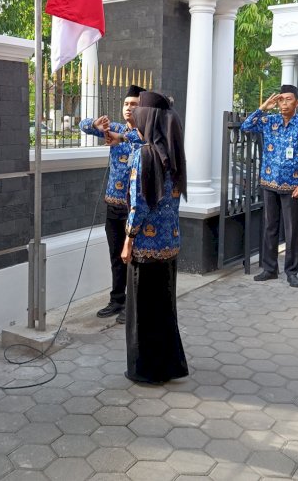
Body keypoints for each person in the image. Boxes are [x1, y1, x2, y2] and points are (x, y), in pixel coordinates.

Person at [121, 91, 188, 384]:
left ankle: (146, 370)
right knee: (164, 309)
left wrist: (128, 239)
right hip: (169, 244)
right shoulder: (171, 151)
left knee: (142, 313)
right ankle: (168, 365)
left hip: (145, 248)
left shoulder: (144, 154)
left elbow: (140, 204)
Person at [79, 84, 145, 324]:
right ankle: (117, 299)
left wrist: (122, 138)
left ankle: (134, 305)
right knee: (116, 256)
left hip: (136, 209)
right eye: (127, 104)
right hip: (113, 206)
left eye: (134, 104)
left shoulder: (146, 135)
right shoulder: (114, 128)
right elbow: (83, 126)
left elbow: (144, 143)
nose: (129, 108)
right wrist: (95, 124)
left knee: (134, 259)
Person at [240, 85, 298, 288]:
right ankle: (270, 269)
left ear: (297, 102)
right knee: (270, 227)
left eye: (288, 99)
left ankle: (292, 271)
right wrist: (264, 107)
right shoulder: (269, 121)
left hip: (293, 185)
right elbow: (245, 126)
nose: (284, 104)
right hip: (269, 182)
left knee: (291, 230)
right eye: (281, 100)